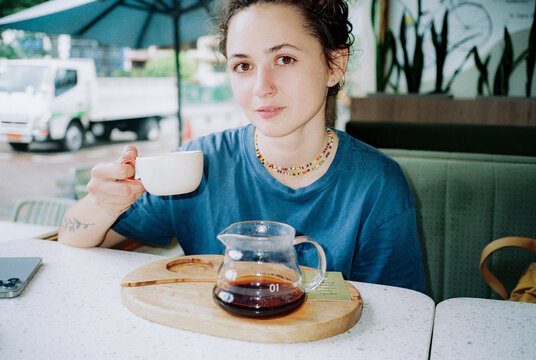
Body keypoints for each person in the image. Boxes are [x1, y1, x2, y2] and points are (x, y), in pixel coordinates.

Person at [59, 0, 426, 293]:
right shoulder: (199, 163)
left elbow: (398, 315)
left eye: (284, 59)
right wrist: (102, 203)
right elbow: (74, 242)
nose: (260, 87)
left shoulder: (377, 185)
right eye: (243, 66)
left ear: (334, 64)